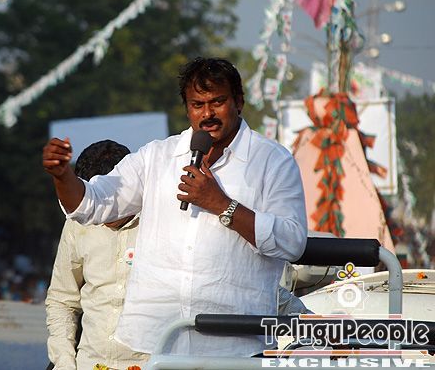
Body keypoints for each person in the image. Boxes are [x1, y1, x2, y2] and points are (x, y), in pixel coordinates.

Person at [42, 57, 308, 357]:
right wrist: (62, 176)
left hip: (235, 343)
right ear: (187, 108)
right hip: (159, 342)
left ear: (239, 102)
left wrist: (222, 205)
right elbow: (92, 203)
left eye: (218, 102)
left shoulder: (272, 161)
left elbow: (292, 242)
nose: (207, 113)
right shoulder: (158, 156)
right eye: (197, 104)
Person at [46, 140, 149, 370]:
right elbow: (62, 299)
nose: (101, 213)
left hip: (151, 364)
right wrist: (64, 362)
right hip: (90, 362)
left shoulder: (162, 222)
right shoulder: (77, 224)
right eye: (93, 203)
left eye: (109, 202)